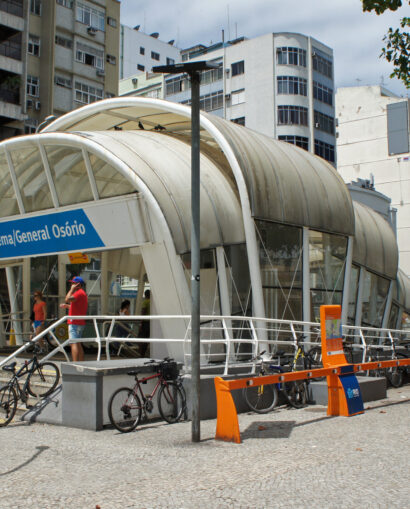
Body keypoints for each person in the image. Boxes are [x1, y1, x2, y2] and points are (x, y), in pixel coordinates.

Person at [60, 276, 88, 362]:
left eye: (73, 283)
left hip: (74, 322)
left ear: (78, 284)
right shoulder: (83, 294)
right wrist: (68, 307)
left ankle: (75, 363)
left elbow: (67, 299)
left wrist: (71, 290)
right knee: (78, 343)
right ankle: (81, 363)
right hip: (80, 322)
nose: (71, 284)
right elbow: (77, 307)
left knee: (73, 343)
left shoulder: (78, 293)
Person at [139, 289, 150, 357]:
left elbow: (143, 312)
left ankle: (141, 354)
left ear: (145, 295)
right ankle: (144, 353)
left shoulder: (145, 302)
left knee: (142, 338)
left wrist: (140, 323)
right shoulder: (152, 302)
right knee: (147, 339)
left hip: (145, 323)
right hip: (151, 323)